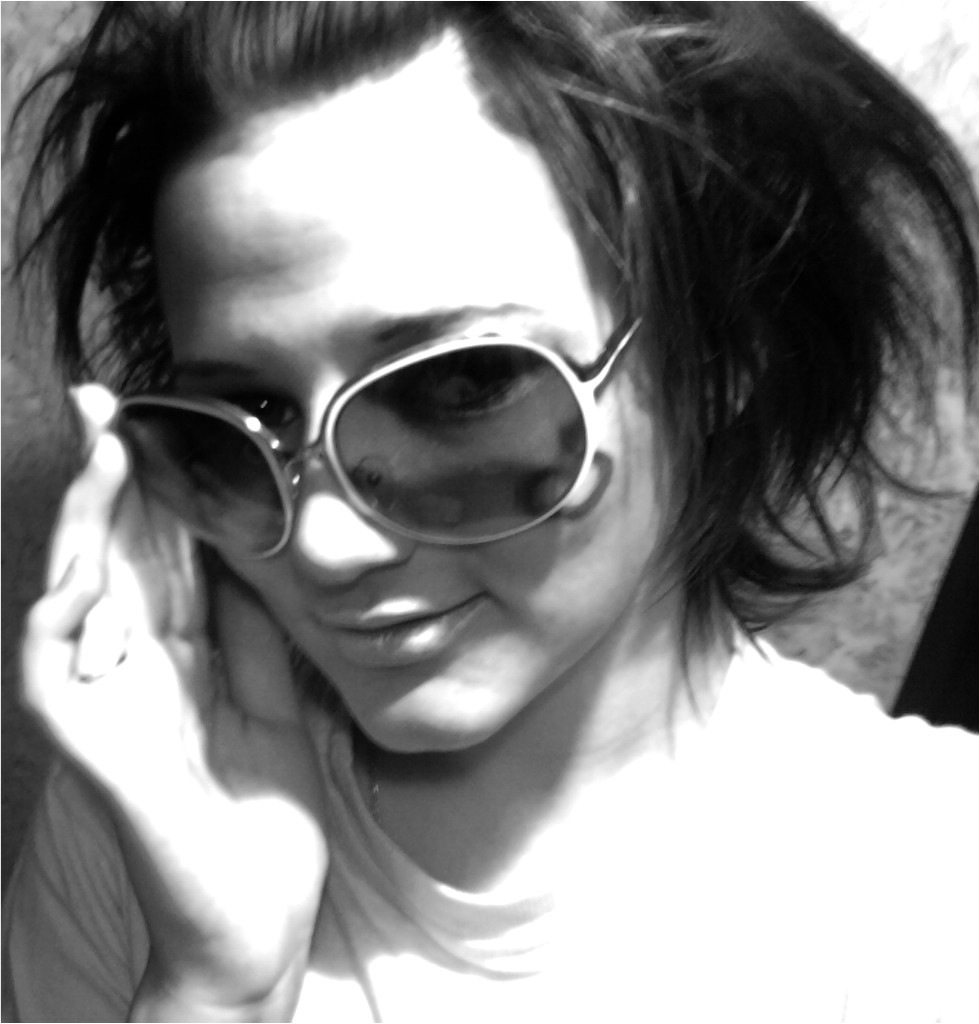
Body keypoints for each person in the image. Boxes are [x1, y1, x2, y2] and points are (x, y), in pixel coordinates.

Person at [4, 3, 978, 1020]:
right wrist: (212, 991)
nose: (325, 544)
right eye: (251, 414)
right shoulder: (155, 802)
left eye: (460, 386)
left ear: (720, 351)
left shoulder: (937, 899)